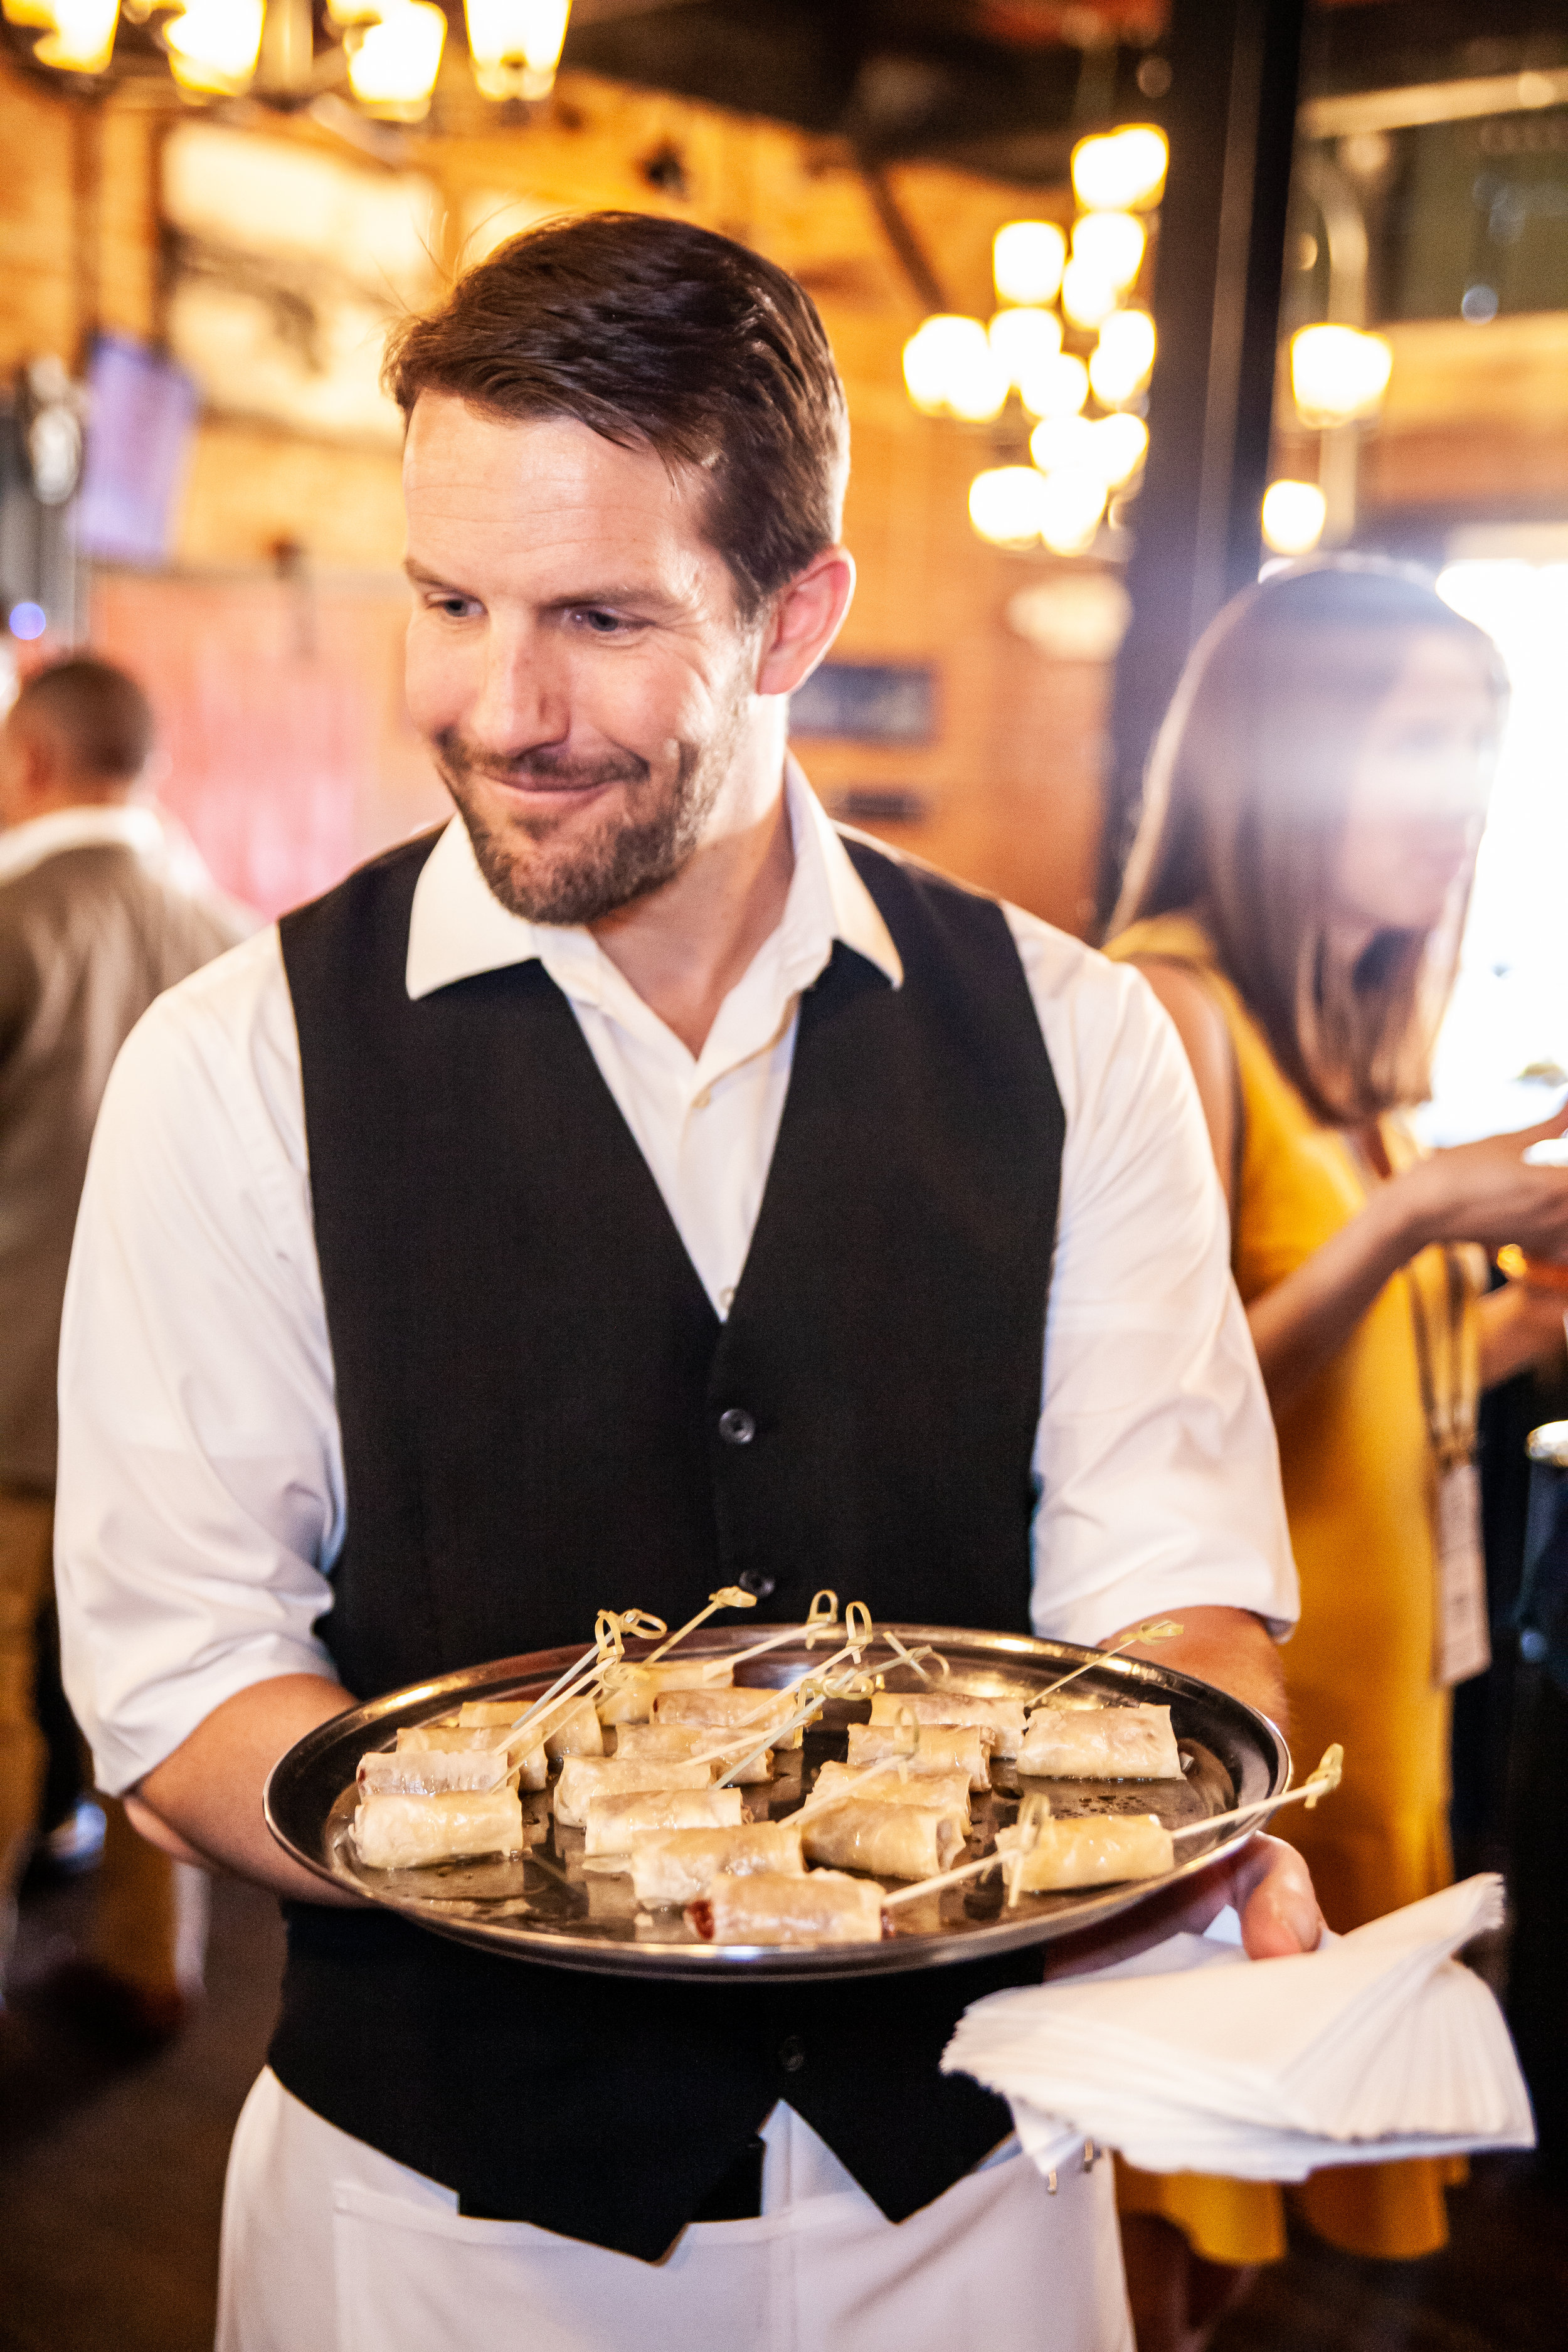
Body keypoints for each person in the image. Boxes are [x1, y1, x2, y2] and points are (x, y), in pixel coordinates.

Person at [55, 213, 1320, 2352]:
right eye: (448, 603)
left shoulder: (1078, 1036)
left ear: (797, 612)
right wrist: (581, 1883)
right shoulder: (236, 1060)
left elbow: (1174, 1590)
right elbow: (174, 1678)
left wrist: (1188, 1834)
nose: (500, 705)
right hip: (444, 2237)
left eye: (603, 618)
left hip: (977, 2217)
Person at [1104, 560, 1568, 2343]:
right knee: (1171, 2230)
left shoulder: (1353, 1058)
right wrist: (1414, 1217)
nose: (1460, 802)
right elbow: (1143, 1391)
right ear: (1278, 761)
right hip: (1249, 1720)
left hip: (1379, 1717)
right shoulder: (1174, 1005)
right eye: (1418, 747)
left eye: (1481, 752)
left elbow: (1395, 1380)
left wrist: (1504, 1302)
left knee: (1241, 2238)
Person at [0, 656, 249, 2038]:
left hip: (14, 1388)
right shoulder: (228, 937)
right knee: (157, 1683)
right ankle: (152, 1965)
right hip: (179, 1402)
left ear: (31, 760)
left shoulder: (12, 922)